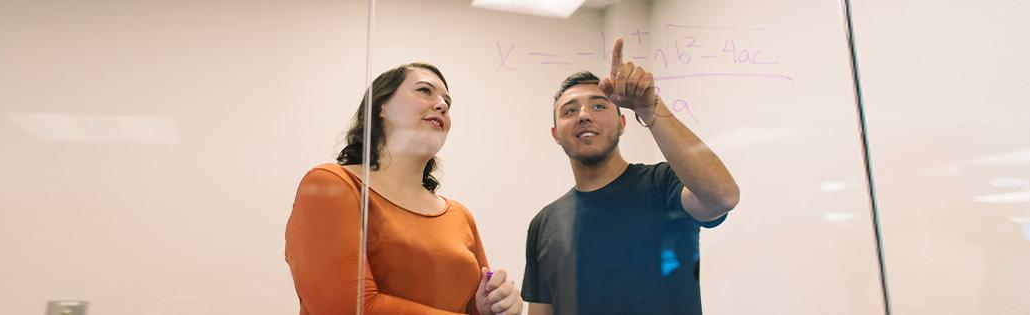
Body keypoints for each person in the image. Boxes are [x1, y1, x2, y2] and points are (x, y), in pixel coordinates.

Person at [522, 39, 741, 315]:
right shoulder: (544, 223)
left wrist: (649, 108)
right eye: (569, 110)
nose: (584, 116)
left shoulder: (663, 185)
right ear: (556, 135)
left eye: (599, 106)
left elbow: (723, 196)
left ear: (622, 123)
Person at [286, 62, 523, 315]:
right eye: (424, 90)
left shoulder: (460, 216)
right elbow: (347, 308)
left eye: (447, 102)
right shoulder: (331, 184)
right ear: (380, 107)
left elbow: (471, 308)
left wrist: (494, 308)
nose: (442, 104)